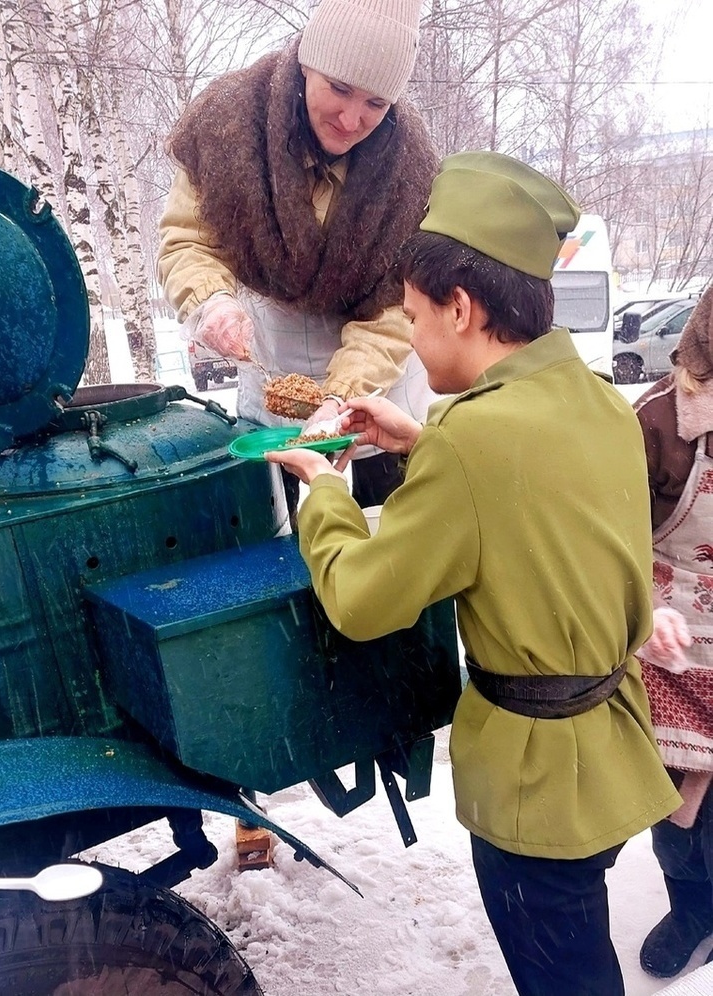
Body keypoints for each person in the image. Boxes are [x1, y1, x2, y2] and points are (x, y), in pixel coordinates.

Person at [265, 150, 681, 996]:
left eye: (415, 318)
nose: (412, 340)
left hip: (534, 787)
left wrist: (326, 487)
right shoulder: (600, 398)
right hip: (605, 752)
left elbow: (362, 599)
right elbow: (542, 500)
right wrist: (421, 442)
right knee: (576, 938)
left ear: (463, 307)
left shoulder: (472, 439)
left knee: (563, 976)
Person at [157, 0, 438, 515]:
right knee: (282, 556)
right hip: (271, 383)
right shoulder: (228, 124)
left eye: (377, 103)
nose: (353, 119)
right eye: (339, 88)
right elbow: (187, 241)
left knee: (386, 553)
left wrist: (341, 399)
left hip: (378, 402)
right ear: (308, 62)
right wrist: (212, 303)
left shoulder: (411, 170)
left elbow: (396, 311)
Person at [633, 286, 713, 980]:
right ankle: (693, 910)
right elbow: (611, 536)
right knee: (677, 797)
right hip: (678, 647)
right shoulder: (661, 420)